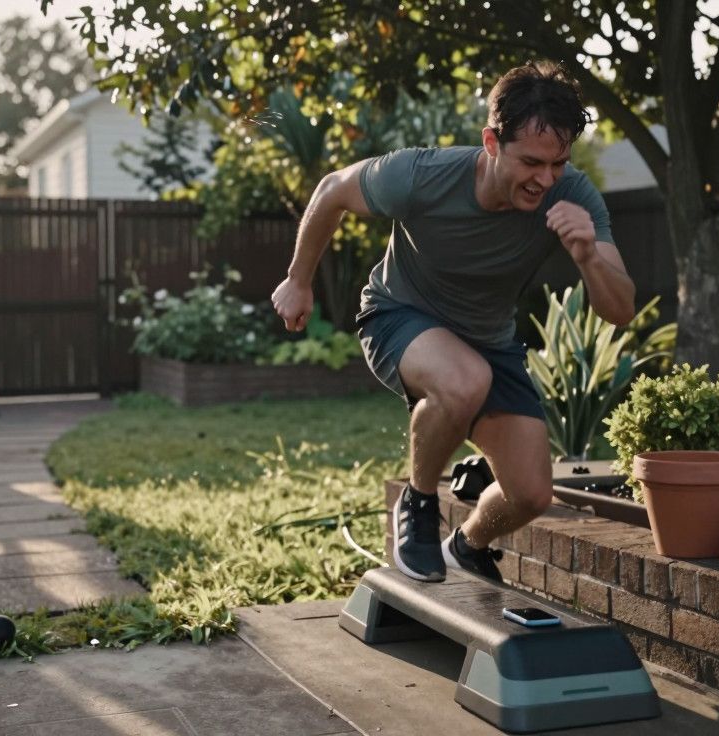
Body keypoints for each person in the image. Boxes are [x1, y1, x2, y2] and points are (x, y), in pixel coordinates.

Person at [270, 61, 636, 583]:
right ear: (492, 141)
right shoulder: (423, 175)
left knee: (531, 492)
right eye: (532, 162)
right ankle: (418, 505)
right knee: (464, 380)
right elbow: (332, 190)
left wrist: (588, 257)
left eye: (557, 163)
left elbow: (620, 310)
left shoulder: (572, 195)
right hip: (400, 315)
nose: (545, 180)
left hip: (488, 340)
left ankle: (466, 544)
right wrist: (298, 280)